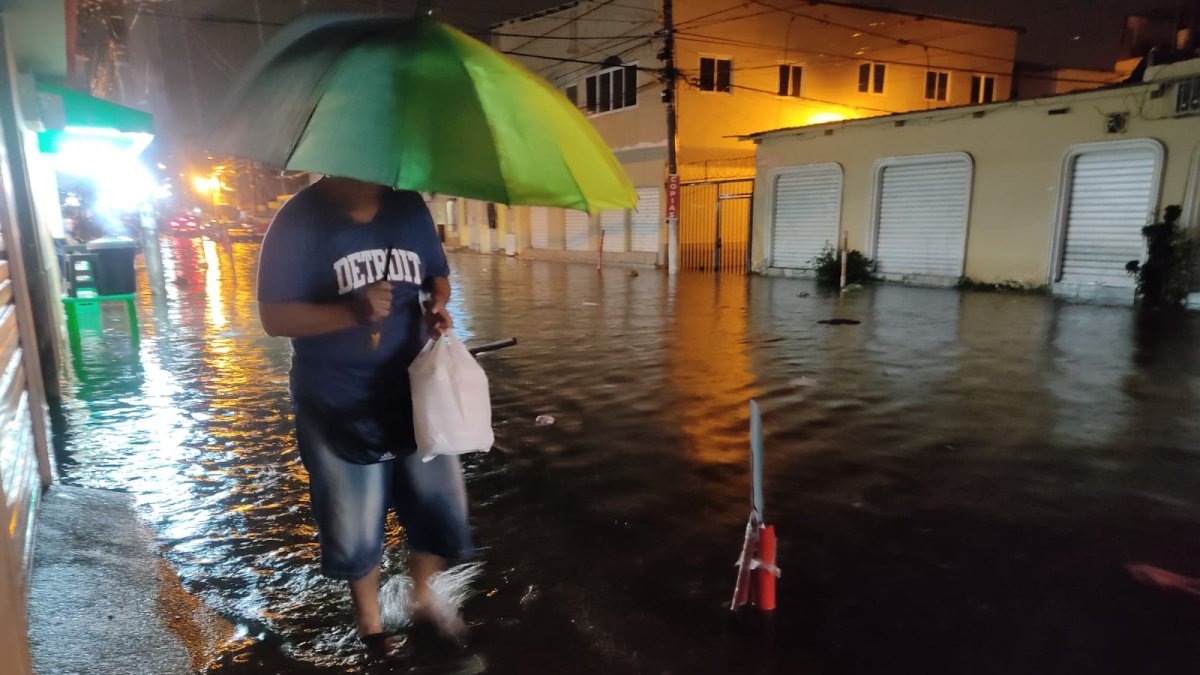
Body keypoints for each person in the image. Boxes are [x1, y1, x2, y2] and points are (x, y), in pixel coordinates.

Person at [256, 176, 473, 653]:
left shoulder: (410, 206)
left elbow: (436, 274)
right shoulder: (298, 221)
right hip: (336, 398)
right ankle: (372, 627)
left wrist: (438, 303)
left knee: (440, 509)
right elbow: (273, 318)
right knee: (354, 525)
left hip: (416, 390)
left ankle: (422, 596)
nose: (370, 178)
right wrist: (350, 314)